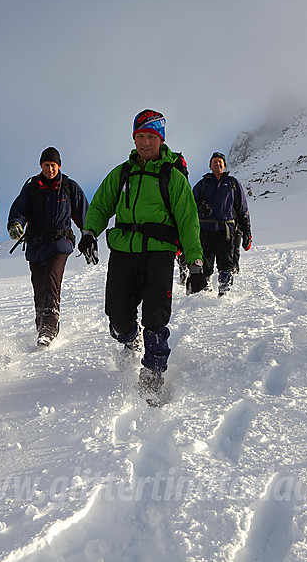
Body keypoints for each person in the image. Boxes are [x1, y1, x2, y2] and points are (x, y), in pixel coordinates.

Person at [78, 109, 204, 404]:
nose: (145, 143)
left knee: (156, 316)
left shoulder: (172, 176)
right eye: (140, 136)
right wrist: (89, 232)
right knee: (118, 315)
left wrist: (195, 261)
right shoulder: (122, 173)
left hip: (159, 253)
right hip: (123, 252)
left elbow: (188, 220)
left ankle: (154, 369)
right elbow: (100, 205)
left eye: (151, 136)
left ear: (160, 139)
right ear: (134, 138)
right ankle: (128, 338)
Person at [7, 147, 89, 347]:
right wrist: (16, 223)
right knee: (39, 285)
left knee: (52, 280)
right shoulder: (32, 187)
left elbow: (84, 214)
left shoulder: (70, 187)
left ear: (58, 166)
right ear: (41, 166)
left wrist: (89, 236)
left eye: (53, 165)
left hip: (61, 243)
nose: (50, 169)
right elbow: (20, 208)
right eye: (46, 165)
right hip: (36, 245)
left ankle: (49, 328)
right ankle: (41, 324)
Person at [192, 152, 252, 296]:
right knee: (205, 261)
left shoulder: (232, 183)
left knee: (226, 261)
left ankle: (224, 290)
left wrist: (247, 232)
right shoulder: (202, 184)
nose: (217, 164)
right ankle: (205, 289)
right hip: (205, 230)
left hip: (226, 229)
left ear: (224, 166)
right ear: (210, 166)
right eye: (215, 162)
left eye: (220, 162)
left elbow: (242, 208)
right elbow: (190, 204)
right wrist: (199, 206)